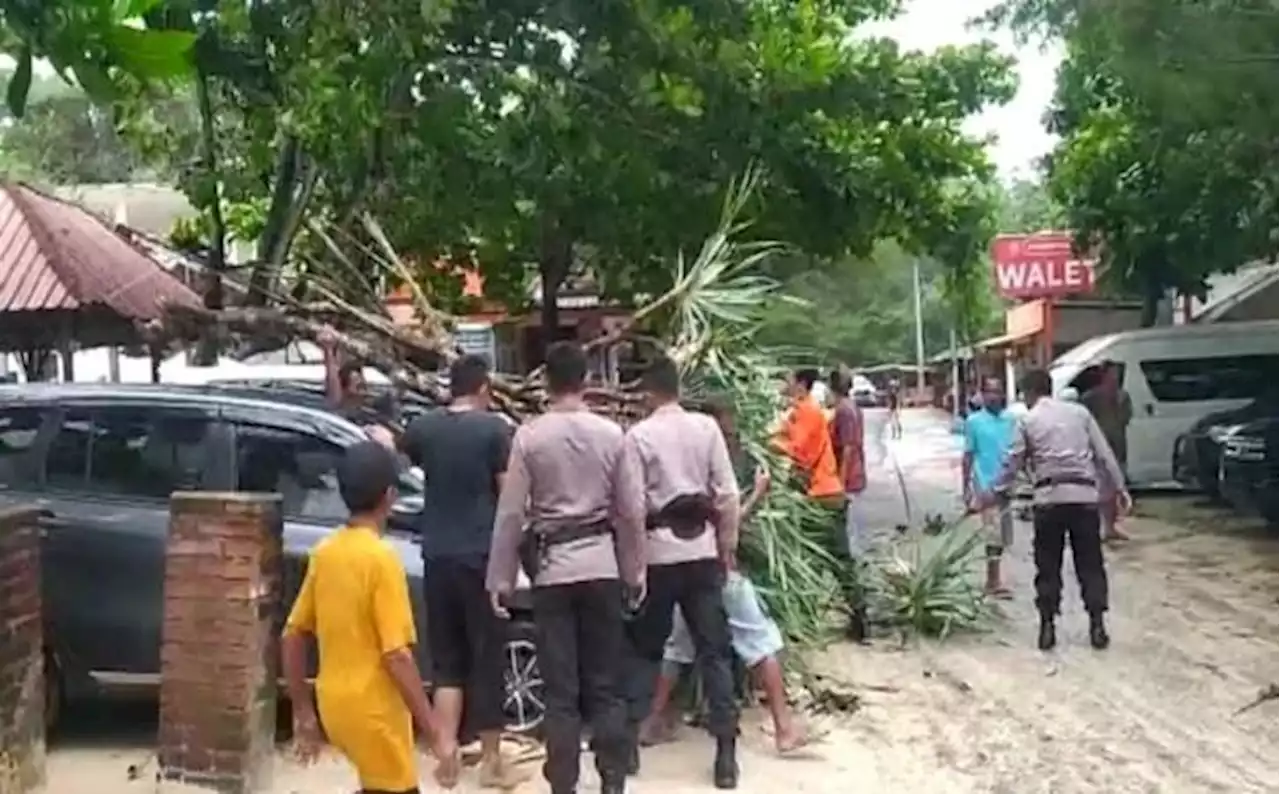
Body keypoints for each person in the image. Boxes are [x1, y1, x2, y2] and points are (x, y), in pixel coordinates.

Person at [486, 341, 644, 794]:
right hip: (602, 567)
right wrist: (635, 573)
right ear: (587, 380)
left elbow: (512, 513)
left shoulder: (530, 437)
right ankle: (613, 781)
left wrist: (500, 577)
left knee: (561, 692)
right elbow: (631, 511)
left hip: (553, 572)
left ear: (546, 383)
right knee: (605, 685)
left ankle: (565, 786)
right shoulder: (613, 435)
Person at [282, 441, 459, 793]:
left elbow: (292, 635)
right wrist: (435, 730)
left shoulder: (325, 553)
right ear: (390, 496)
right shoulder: (382, 560)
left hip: (334, 705)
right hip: (375, 712)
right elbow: (396, 656)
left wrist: (303, 710)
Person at [639, 397, 808, 755]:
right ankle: (782, 729)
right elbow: (727, 518)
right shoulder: (714, 470)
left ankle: (653, 722)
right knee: (759, 644)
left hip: (681, 568)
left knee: (678, 647)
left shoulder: (684, 466)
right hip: (717, 571)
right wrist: (757, 497)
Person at [400, 354, 525, 790]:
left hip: (436, 554)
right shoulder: (494, 430)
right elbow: (508, 496)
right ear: (484, 389)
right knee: (487, 655)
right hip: (480, 556)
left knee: (448, 658)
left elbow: (399, 456)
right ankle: (491, 762)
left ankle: (446, 751)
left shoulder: (424, 428)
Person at [620, 356, 742, 789]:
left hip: (659, 555)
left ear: (650, 392)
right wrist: (726, 546)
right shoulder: (706, 429)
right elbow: (727, 495)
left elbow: (632, 509)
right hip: (702, 551)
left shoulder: (638, 436)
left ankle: (629, 747)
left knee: (644, 650)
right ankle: (726, 755)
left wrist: (633, 568)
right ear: (678, 389)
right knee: (715, 652)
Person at [971, 369, 1131, 652]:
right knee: (1090, 563)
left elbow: (1013, 463)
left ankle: (1047, 627)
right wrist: (1120, 488)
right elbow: (1104, 453)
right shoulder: (1080, 414)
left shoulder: (1028, 421)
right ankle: (1097, 624)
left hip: (1049, 499)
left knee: (1048, 565)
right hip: (1084, 498)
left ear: (1030, 394)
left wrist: (992, 494)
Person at [776, 368, 862, 638]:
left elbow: (799, 452)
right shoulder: (802, 411)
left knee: (819, 560)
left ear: (801, 385)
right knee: (827, 559)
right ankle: (853, 616)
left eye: (787, 380)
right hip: (822, 494)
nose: (783, 385)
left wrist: (768, 442)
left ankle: (812, 620)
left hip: (821, 496)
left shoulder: (808, 412)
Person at [961, 376, 1017, 599]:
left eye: (998, 391)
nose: (994, 396)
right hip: (985, 484)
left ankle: (994, 578)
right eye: (990, 392)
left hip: (1007, 484)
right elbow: (968, 455)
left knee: (1004, 535)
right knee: (993, 534)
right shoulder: (974, 422)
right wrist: (965, 486)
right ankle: (993, 581)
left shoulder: (1010, 420)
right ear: (982, 395)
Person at [1081, 360, 1133, 542]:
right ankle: (1098, 526)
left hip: (1118, 444)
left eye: (1117, 374)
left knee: (1115, 489)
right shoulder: (1091, 397)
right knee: (1099, 488)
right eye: (1112, 373)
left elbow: (1126, 418)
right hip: (1097, 448)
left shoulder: (1123, 396)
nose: (1115, 377)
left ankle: (1111, 526)